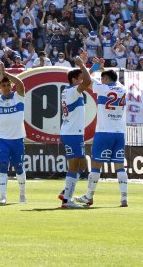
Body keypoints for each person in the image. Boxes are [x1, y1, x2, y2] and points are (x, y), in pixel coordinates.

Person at [73, 61, 129, 207]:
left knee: (96, 164)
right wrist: (102, 71)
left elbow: (87, 80)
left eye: (102, 78)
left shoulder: (102, 88)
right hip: (119, 133)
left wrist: (84, 66)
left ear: (104, 79)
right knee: (120, 166)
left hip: (104, 131)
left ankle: (89, 196)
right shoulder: (123, 89)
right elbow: (102, 82)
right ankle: (124, 198)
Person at [57, 59, 96, 209]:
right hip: (72, 133)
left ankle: (66, 190)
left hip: (72, 132)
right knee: (73, 164)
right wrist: (81, 65)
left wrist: (95, 66)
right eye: (79, 79)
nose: (82, 81)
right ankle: (67, 200)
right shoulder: (73, 91)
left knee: (83, 163)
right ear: (74, 80)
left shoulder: (69, 91)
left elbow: (86, 77)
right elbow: (86, 81)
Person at [0, 69, 27, 204]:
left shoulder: (18, 96)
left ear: (11, 85)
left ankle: (22, 194)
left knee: (19, 167)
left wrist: (6, 74)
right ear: (0, 87)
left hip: (18, 138)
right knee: (3, 165)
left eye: (8, 85)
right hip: (3, 139)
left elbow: (20, 84)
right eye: (3, 86)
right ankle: (2, 197)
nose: (6, 87)